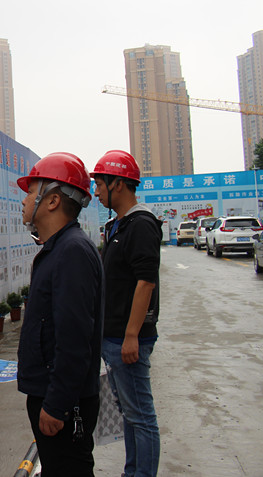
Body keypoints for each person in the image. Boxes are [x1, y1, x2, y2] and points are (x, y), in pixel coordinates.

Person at [16, 152, 104, 476]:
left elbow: (75, 339)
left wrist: (57, 404)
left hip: (64, 403)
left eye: (31, 191)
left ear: (52, 201)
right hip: (54, 395)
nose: (24, 200)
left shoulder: (72, 252)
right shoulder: (59, 249)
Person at [91, 150, 161, 477]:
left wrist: (132, 335)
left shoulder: (141, 225)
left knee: (141, 417)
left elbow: (146, 282)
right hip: (115, 337)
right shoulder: (119, 225)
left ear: (118, 184)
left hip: (127, 340)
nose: (96, 192)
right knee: (130, 415)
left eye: (100, 184)